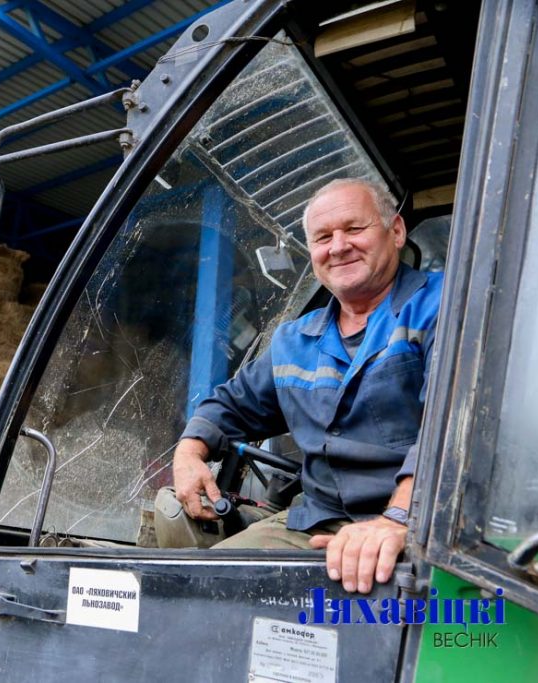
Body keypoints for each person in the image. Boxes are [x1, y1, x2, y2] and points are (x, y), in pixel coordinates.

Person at [172, 178, 442, 594]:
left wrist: (399, 519)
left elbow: (453, 429)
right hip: (317, 521)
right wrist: (189, 452)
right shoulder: (295, 339)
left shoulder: (446, 305)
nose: (338, 247)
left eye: (354, 229)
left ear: (396, 231)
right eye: (323, 237)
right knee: (203, 588)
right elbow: (231, 404)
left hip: (423, 522)